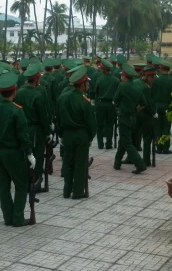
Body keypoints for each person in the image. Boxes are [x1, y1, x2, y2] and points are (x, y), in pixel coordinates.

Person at [0, 73, 32, 226]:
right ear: (14, 91)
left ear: (0, 92)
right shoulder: (17, 110)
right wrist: (30, 153)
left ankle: (8, 217)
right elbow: (23, 135)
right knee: (20, 185)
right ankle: (17, 217)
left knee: (4, 187)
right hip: (13, 152)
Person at [58, 67, 96, 198]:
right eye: (87, 83)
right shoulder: (84, 101)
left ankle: (67, 190)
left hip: (67, 134)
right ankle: (78, 191)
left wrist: (60, 134)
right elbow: (91, 123)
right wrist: (90, 137)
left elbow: (58, 117)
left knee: (67, 162)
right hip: (81, 135)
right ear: (83, 84)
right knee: (80, 164)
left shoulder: (62, 97)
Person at [15, 64, 51, 191]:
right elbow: (43, 116)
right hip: (35, 130)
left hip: (22, 128)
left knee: (24, 155)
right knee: (37, 156)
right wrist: (48, 132)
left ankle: (25, 182)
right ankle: (35, 183)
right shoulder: (38, 95)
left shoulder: (19, 92)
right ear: (36, 80)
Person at [113, 64, 147, 173]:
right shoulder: (137, 86)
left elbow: (115, 100)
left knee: (127, 142)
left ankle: (140, 164)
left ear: (124, 76)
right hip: (133, 117)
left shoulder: (122, 86)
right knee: (123, 139)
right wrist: (135, 110)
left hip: (124, 117)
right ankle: (117, 163)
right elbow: (143, 104)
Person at [151, 61, 172, 154]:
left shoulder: (155, 80)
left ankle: (158, 147)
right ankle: (166, 148)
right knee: (166, 127)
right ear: (169, 70)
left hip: (157, 106)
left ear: (161, 69)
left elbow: (151, 93)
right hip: (168, 106)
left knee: (157, 127)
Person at [94, 59, 119, 150]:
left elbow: (96, 93)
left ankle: (100, 144)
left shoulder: (99, 79)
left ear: (103, 69)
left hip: (101, 104)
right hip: (111, 105)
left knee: (99, 125)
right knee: (110, 125)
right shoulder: (116, 80)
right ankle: (109, 143)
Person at [139, 66, 157, 167]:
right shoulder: (146, 87)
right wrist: (154, 112)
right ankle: (146, 160)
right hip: (145, 114)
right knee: (147, 138)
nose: (153, 79)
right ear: (146, 75)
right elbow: (147, 103)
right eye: (151, 77)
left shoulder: (137, 83)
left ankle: (132, 158)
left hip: (136, 113)